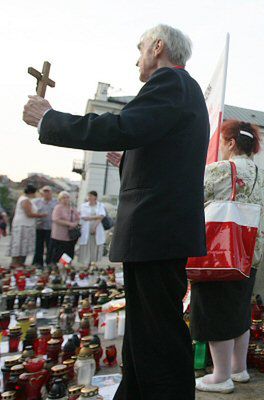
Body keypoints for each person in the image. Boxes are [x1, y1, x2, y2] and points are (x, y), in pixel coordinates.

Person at [23, 24, 209, 400]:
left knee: (158, 337)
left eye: (140, 48)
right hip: (156, 232)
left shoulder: (171, 82)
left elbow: (124, 125)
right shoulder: (178, 92)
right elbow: (164, 156)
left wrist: (50, 119)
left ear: (158, 47)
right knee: (143, 334)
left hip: (156, 232)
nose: (136, 57)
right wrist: (128, 162)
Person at [192, 120, 264, 394]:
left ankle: (220, 376)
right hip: (250, 254)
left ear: (230, 143)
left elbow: (191, 197)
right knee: (239, 310)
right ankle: (239, 369)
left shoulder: (219, 170)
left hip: (220, 254)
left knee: (217, 312)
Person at [7, 184, 47, 266]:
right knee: (20, 244)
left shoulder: (26, 199)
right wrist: (41, 215)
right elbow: (29, 214)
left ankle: (20, 262)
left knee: (23, 245)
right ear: (32, 192)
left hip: (26, 224)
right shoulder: (25, 200)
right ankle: (17, 262)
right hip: (23, 225)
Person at [78, 191, 107, 266]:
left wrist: (92, 220)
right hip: (86, 228)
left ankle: (93, 263)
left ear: (95, 197)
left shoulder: (100, 205)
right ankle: (85, 263)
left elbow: (101, 216)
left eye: (91, 196)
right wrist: (95, 217)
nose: (89, 197)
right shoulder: (84, 205)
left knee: (95, 245)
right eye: (88, 196)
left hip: (97, 227)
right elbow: (84, 217)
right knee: (86, 244)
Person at [50, 191, 79, 263]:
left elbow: (78, 218)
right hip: (59, 234)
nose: (65, 199)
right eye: (63, 198)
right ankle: (56, 266)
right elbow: (55, 219)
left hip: (70, 235)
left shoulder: (72, 208)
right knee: (58, 251)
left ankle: (65, 265)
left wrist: (75, 223)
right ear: (60, 199)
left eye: (67, 197)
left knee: (68, 252)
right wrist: (69, 223)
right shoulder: (58, 208)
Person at [32, 185, 57, 267]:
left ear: (51, 193)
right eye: (44, 192)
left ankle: (49, 261)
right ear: (42, 193)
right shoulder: (36, 201)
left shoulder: (56, 202)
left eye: (48, 192)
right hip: (39, 227)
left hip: (50, 227)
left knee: (50, 246)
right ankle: (38, 262)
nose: (46, 194)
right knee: (38, 245)